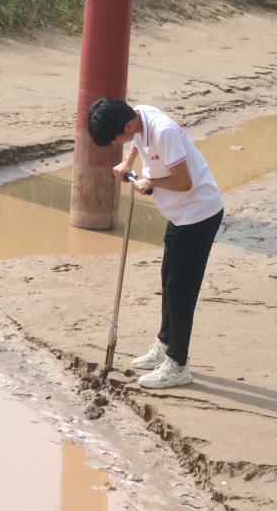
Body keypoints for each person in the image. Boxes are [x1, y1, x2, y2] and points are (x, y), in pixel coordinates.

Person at [87, 97, 224, 389]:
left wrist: (151, 182)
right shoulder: (139, 116)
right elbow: (137, 142)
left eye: (115, 139)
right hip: (179, 214)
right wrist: (128, 161)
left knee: (181, 291)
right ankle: (165, 343)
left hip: (198, 215)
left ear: (126, 126)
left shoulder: (164, 132)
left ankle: (178, 365)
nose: (118, 143)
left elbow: (184, 182)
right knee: (169, 280)